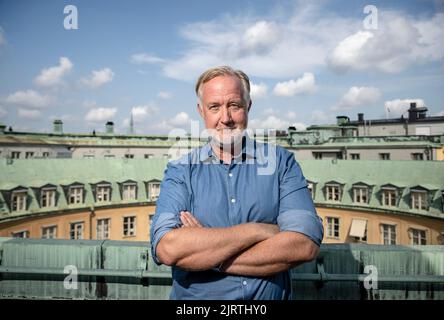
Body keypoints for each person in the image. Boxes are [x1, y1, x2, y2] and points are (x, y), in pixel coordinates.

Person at [150, 66, 324, 300]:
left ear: (248, 106)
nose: (226, 118)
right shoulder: (181, 170)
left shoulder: (282, 162)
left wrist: (206, 252)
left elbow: (303, 245)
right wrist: (258, 230)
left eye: (235, 105)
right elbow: (168, 248)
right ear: (201, 111)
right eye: (215, 107)